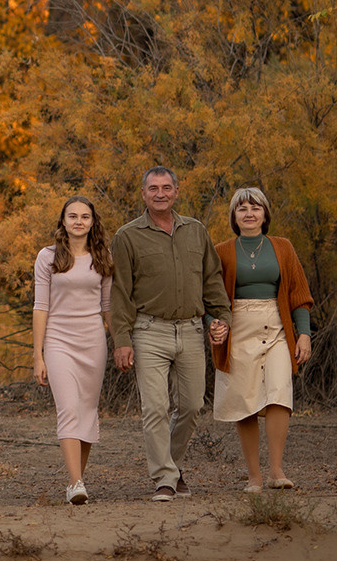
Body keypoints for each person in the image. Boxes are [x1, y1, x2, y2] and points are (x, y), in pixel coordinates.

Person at [110, 166, 229, 502]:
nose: (159, 194)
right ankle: (164, 477)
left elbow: (212, 280)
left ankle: (171, 466)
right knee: (155, 407)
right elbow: (120, 292)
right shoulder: (127, 236)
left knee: (192, 405)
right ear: (143, 193)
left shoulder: (196, 231)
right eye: (153, 188)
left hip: (191, 329)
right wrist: (122, 339)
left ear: (177, 191)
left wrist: (221, 318)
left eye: (166, 187)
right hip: (148, 330)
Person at [212, 186, 315, 492]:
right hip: (238, 328)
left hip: (277, 327)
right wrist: (214, 324)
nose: (249, 213)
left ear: (265, 213)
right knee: (244, 400)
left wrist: (304, 334)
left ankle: (276, 470)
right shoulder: (222, 251)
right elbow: (211, 297)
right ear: (234, 215)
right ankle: (254, 476)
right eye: (242, 208)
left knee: (279, 393)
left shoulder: (282, 247)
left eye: (255, 208)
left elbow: (299, 294)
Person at [33, 196, 114, 505]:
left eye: (85, 216)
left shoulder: (102, 255)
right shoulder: (48, 257)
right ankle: (75, 483)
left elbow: (107, 306)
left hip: (93, 340)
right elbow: (41, 306)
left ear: (92, 222)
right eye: (72, 216)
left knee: (87, 411)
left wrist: (120, 341)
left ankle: (78, 477)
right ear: (63, 221)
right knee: (68, 408)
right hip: (58, 340)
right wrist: (37, 354)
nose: (79, 221)